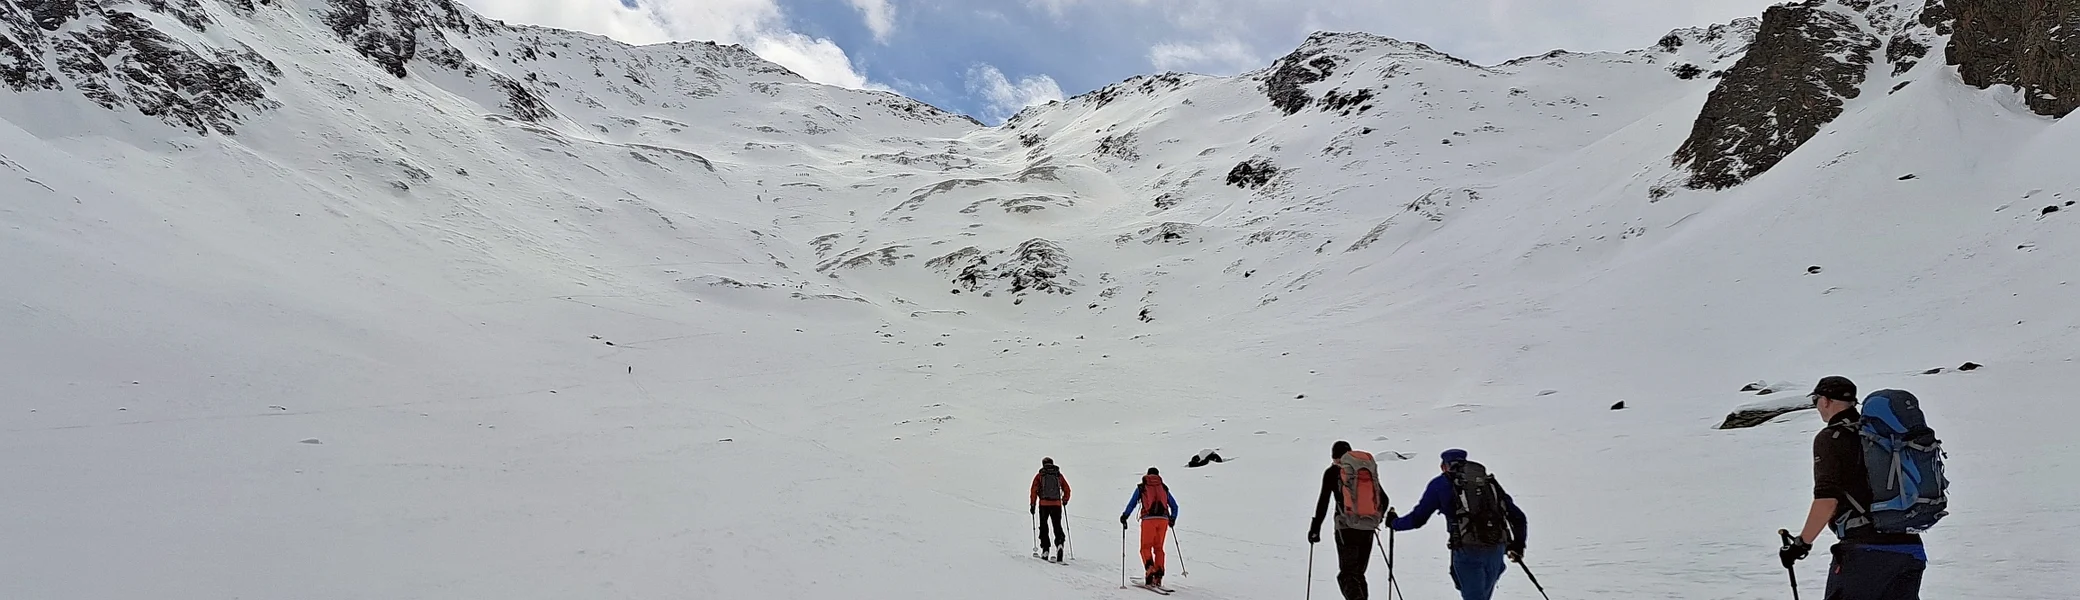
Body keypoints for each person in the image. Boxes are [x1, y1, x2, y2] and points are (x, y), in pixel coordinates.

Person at [1779, 376, 1926, 600]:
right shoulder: (1884, 436)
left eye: (1815, 400)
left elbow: (1827, 500)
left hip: (1866, 553)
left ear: (1825, 401)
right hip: (1910, 548)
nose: (1817, 406)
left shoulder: (1831, 438)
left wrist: (1801, 544)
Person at [1388, 449, 1528, 600]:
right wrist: (1518, 545)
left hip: (1467, 549)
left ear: (1444, 466)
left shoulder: (1441, 484)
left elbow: (1418, 519)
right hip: (1496, 548)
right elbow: (1518, 516)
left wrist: (1395, 523)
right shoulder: (1488, 482)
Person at [1309, 441, 1392, 600]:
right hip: (1368, 528)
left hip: (1346, 528)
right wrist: (1374, 518)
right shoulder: (1363, 472)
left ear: (1334, 457)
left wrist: (1315, 528)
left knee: (1347, 574)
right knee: (1358, 574)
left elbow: (1323, 502)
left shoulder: (1332, 472)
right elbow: (1385, 499)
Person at [1120, 467, 1180, 589]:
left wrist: (1125, 516)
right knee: (1159, 548)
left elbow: (1132, 503)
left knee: (1145, 547)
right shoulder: (1163, 487)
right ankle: (1159, 574)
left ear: (1148, 474)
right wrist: (1172, 518)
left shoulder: (1142, 487)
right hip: (1163, 520)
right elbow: (1175, 506)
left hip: (1148, 520)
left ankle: (1150, 570)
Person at [1030, 457, 1073, 562]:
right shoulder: (1058, 475)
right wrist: (1065, 500)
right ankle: (1059, 544)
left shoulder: (1040, 475)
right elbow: (1067, 489)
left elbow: (1034, 490)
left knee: (1043, 526)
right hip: (1057, 504)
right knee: (1057, 525)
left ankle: (1045, 549)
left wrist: (1032, 504)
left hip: (1043, 505)